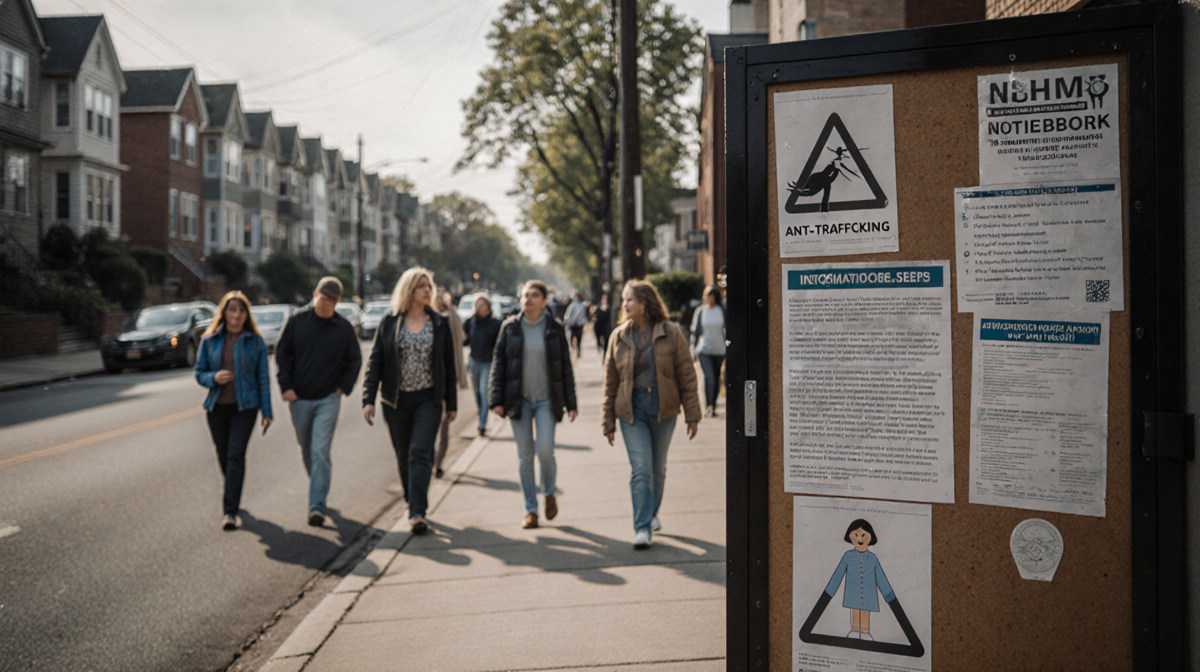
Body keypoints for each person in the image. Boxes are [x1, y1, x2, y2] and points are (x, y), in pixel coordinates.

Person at [603, 280, 702, 549]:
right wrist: (607, 421)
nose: (624, 304)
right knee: (641, 469)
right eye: (624, 300)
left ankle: (652, 513)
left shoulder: (671, 333)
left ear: (644, 304)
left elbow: (686, 375)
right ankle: (642, 526)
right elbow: (610, 382)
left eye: (629, 299)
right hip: (631, 412)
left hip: (663, 410)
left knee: (658, 469)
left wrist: (693, 414)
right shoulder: (619, 336)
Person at [362, 268, 458, 534]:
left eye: (429, 286)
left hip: (428, 398)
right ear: (409, 291)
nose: (428, 291)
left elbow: (448, 366)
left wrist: (451, 404)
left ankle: (417, 511)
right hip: (395, 401)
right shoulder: (390, 322)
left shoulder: (438, 323)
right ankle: (411, 500)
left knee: (419, 452)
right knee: (403, 455)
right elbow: (376, 362)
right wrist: (368, 399)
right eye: (421, 287)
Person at [489, 280, 578, 529]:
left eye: (534, 295)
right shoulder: (510, 328)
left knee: (546, 451)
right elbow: (499, 365)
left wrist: (571, 403)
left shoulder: (554, 328)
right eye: (525, 295)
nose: (528, 299)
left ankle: (549, 493)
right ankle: (531, 509)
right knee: (525, 457)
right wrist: (496, 400)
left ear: (544, 300)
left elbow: (565, 368)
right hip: (520, 401)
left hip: (547, 400)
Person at [276, 276, 362, 528]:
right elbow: (283, 355)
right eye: (323, 298)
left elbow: (354, 360)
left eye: (332, 300)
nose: (326, 303)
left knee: (320, 449)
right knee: (307, 449)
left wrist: (343, 387)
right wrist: (286, 387)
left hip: (328, 398)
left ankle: (316, 506)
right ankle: (319, 488)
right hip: (300, 397)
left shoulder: (343, 327)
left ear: (337, 302)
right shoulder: (297, 321)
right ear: (315, 295)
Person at [195, 291, 273, 531]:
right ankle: (233, 490)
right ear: (224, 313)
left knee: (235, 455)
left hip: (245, 407)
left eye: (241, 310)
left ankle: (230, 510)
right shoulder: (210, 340)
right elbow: (199, 373)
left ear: (246, 314)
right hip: (217, 407)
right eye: (232, 309)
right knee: (223, 455)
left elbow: (263, 378)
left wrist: (267, 411)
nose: (237, 314)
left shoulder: (255, 342)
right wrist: (213, 377)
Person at [433, 288, 470, 478]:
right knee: (444, 424)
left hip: (439, 377)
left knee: (436, 425)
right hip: (452, 374)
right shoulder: (454, 316)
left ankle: (435, 462)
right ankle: (438, 462)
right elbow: (462, 338)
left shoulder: (439, 320)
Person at [463, 294, 502, 438]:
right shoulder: (470, 322)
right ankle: (480, 413)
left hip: (488, 362)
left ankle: (482, 423)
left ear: (488, 307)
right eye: (477, 305)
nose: (479, 308)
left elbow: (499, 345)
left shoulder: (495, 324)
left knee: (484, 391)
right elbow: (465, 341)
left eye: (482, 305)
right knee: (477, 392)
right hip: (474, 361)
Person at [690, 285, 727, 417]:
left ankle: (713, 404)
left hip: (719, 350)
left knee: (716, 378)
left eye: (710, 295)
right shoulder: (700, 312)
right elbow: (695, 332)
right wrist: (692, 349)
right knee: (709, 377)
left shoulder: (721, 310)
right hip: (704, 350)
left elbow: (726, 329)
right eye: (706, 295)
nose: (708, 298)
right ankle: (708, 406)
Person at [564, 291, 590, 359]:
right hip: (579, 324)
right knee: (578, 337)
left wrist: (566, 321)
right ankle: (577, 347)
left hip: (574, 324)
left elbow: (567, 315)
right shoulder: (582, 305)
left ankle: (575, 347)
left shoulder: (572, 305)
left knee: (573, 336)